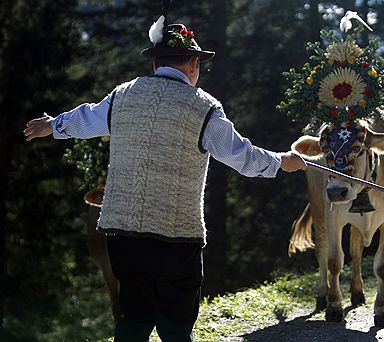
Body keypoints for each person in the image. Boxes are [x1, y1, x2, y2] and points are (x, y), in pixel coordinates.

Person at [23, 12, 306, 342]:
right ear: (193, 65)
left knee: (132, 319)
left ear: (155, 63)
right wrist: (282, 161)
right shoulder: (204, 107)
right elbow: (240, 156)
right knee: (175, 327)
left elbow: (85, 119)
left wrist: (52, 125)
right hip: (176, 239)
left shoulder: (122, 95)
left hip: (123, 235)